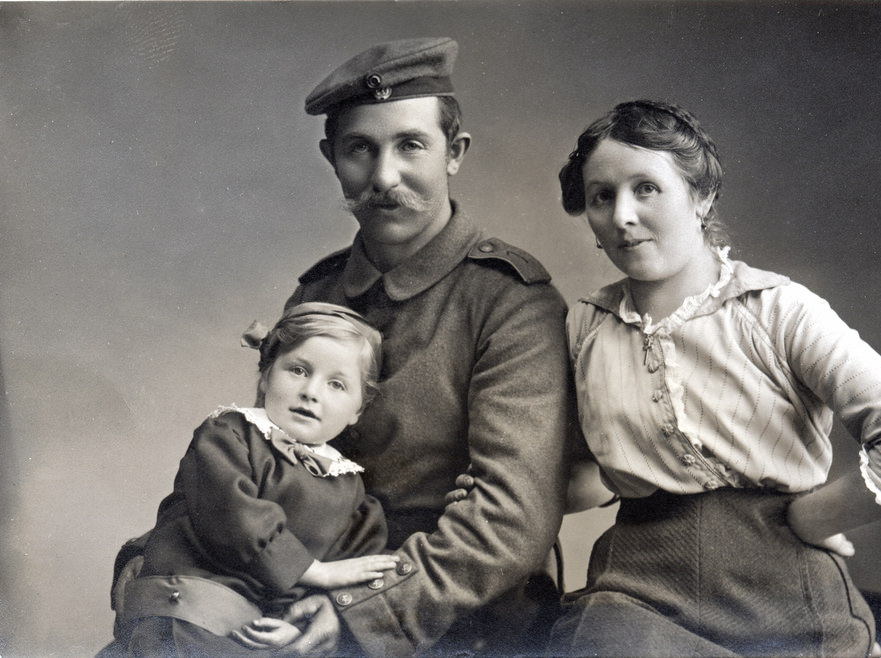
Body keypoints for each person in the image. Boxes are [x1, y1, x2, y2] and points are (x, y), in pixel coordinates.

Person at [109, 37, 573, 657]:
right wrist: (156, 552)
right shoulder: (318, 292)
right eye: (360, 148)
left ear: (454, 153)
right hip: (292, 590)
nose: (384, 177)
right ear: (332, 157)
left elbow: (511, 516)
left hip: (447, 612)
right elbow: (253, 452)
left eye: (411, 145)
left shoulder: (510, 300)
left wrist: (361, 614)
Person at [547, 100, 881, 657]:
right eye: (603, 196)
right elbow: (591, 472)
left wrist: (813, 517)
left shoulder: (776, 310)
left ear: (702, 198)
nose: (622, 215)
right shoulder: (585, 325)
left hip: (782, 600)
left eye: (646, 188)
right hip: (633, 597)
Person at [102, 302, 399, 656]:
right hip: (183, 614)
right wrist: (314, 571)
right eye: (299, 370)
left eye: (336, 384)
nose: (311, 392)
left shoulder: (351, 489)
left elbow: (349, 569)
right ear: (265, 375)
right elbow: (234, 516)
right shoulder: (229, 435)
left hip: (254, 637)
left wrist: (298, 622)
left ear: (358, 410)